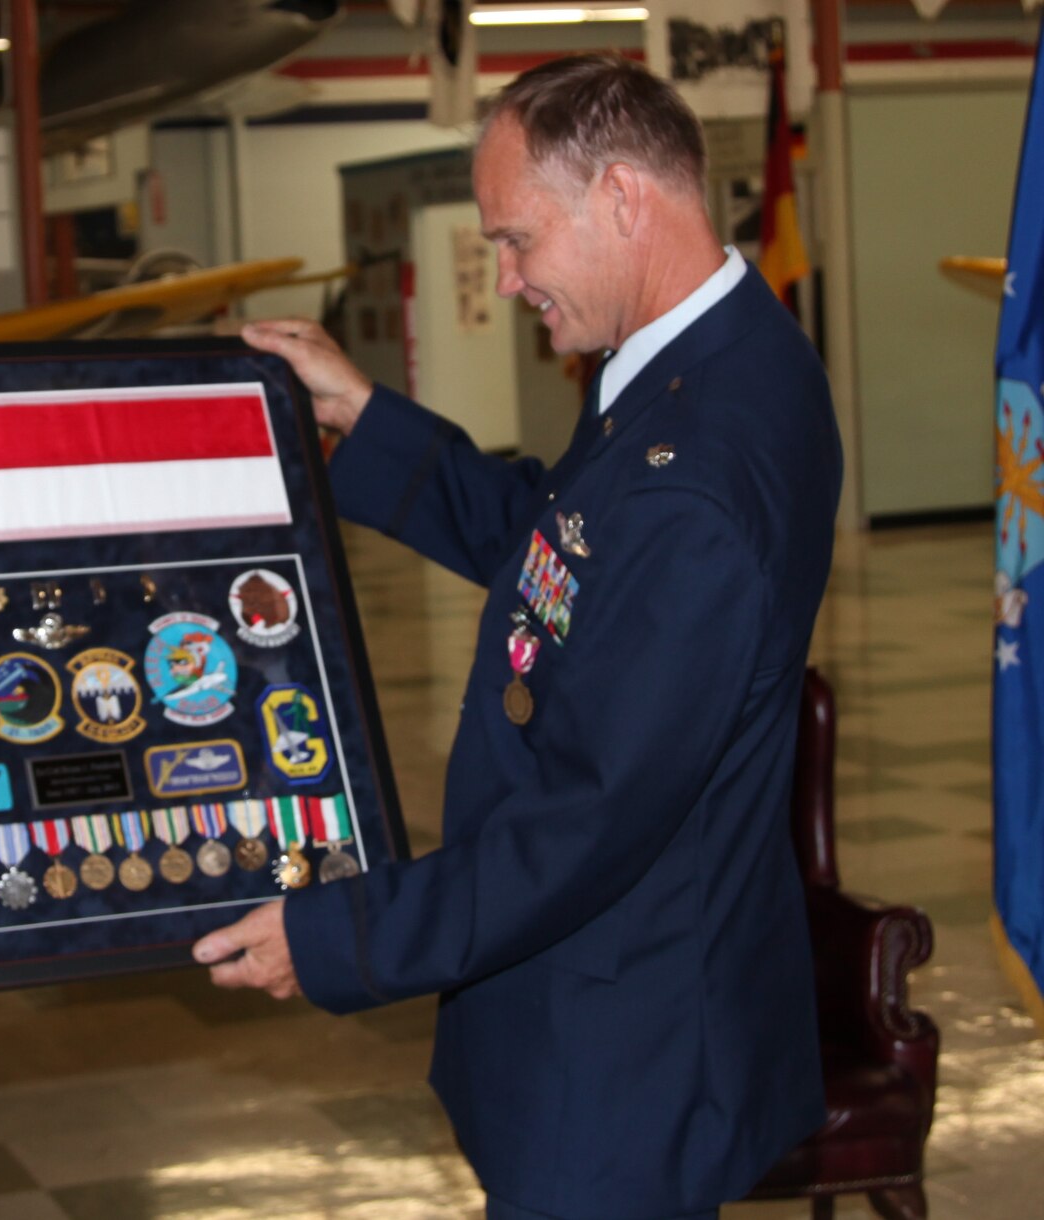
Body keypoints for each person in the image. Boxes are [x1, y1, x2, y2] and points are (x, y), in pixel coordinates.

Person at [197, 54, 840, 1220]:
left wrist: (338, 935)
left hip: (624, 1050)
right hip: (602, 1008)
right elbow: (568, 550)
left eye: (515, 240)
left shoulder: (698, 471)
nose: (502, 280)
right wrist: (372, 423)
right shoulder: (701, 360)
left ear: (623, 201)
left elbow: (586, 825)